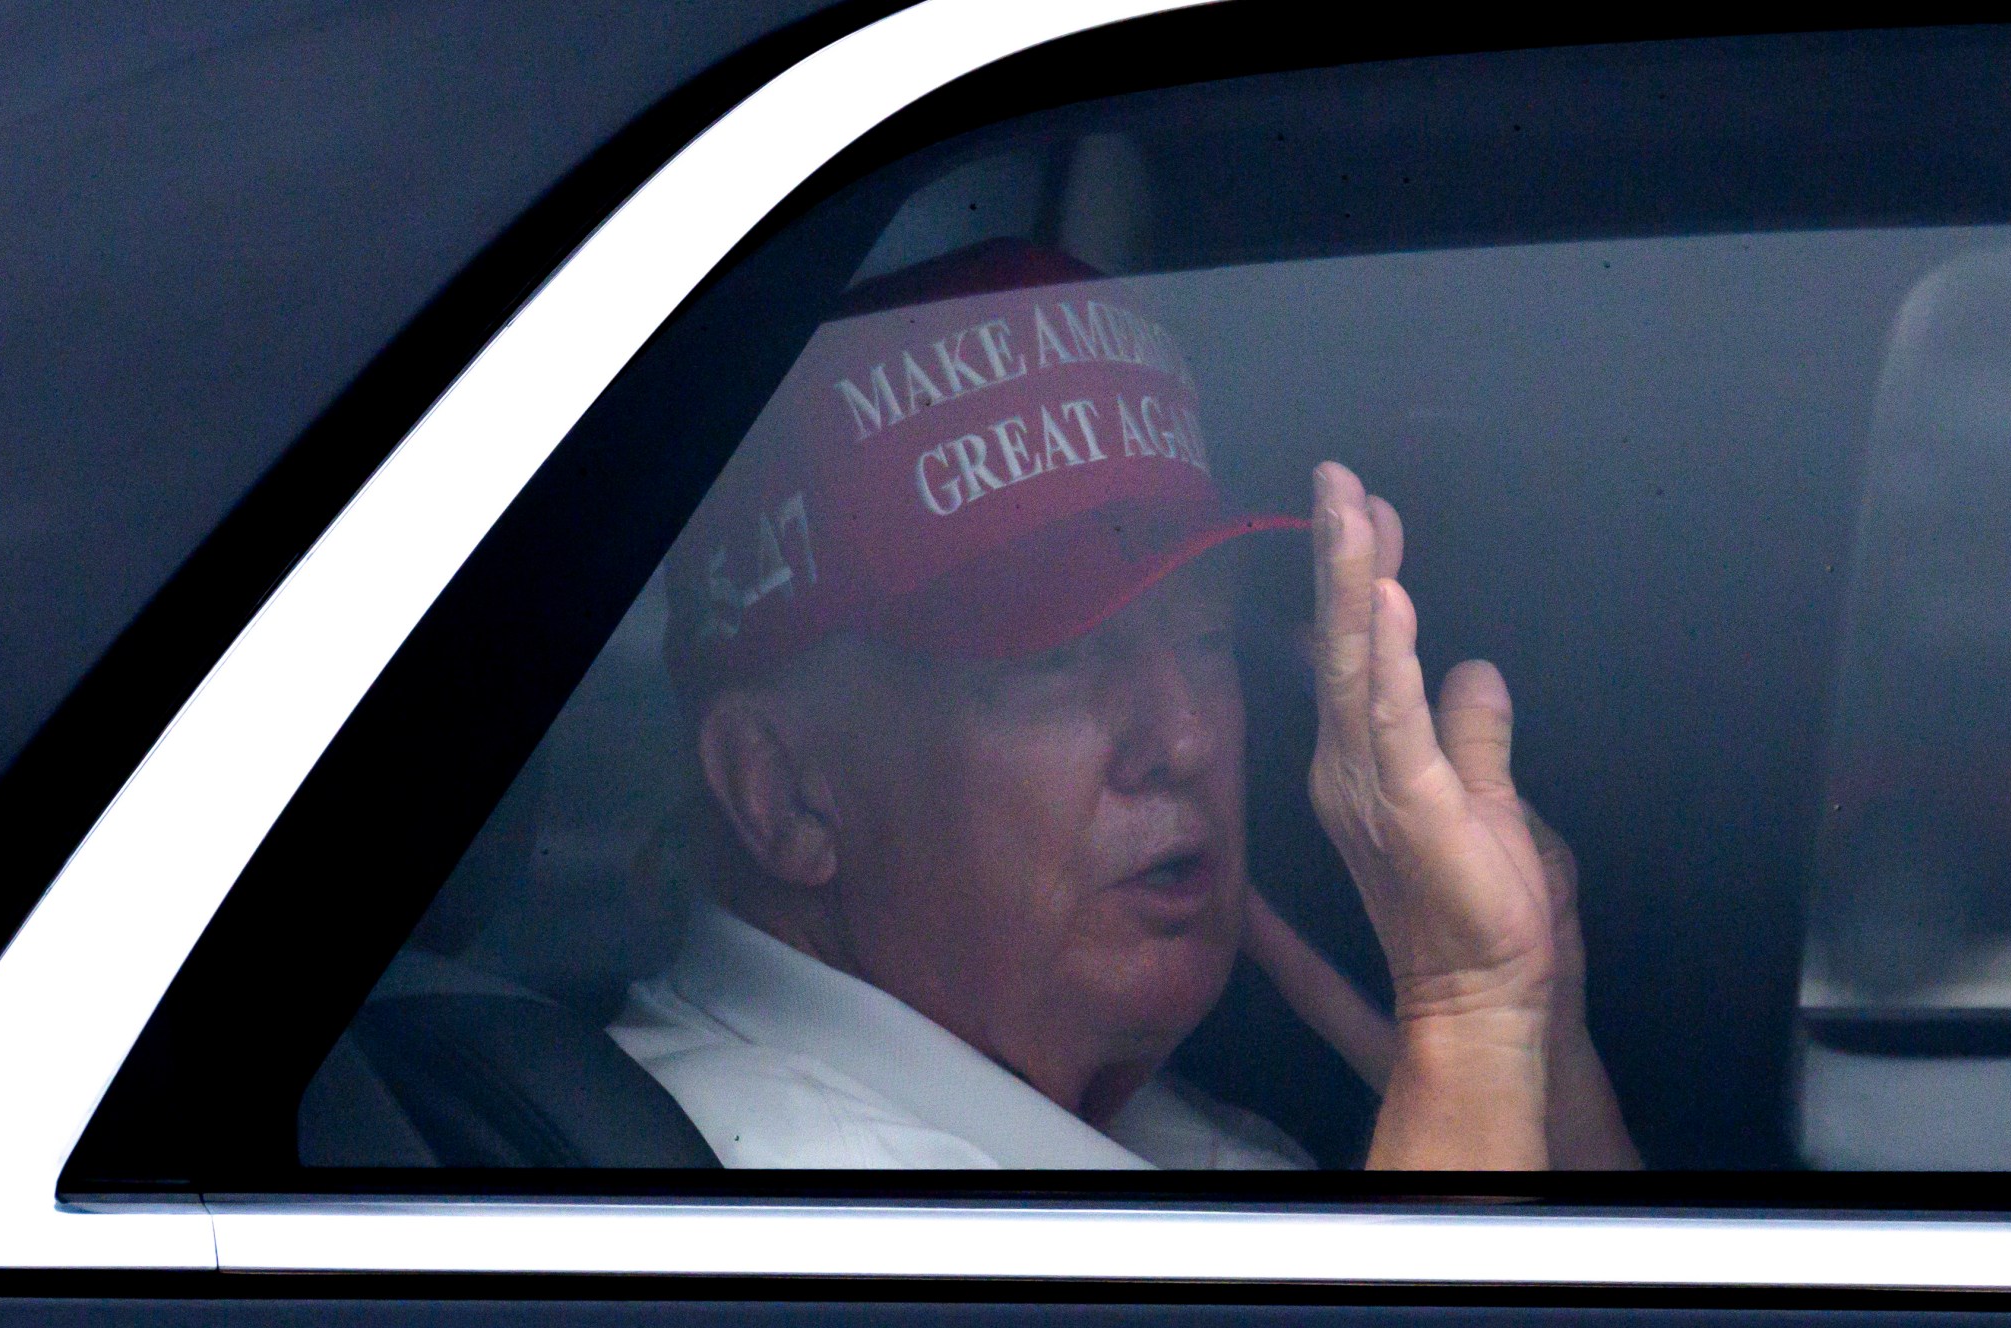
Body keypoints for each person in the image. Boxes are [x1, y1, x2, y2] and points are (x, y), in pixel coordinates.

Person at [610, 242, 1636, 1170]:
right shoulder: (791, 1208)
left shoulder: (1106, 1133)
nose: (1183, 737)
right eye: (1054, 659)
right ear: (782, 792)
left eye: (1203, 640)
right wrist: (1470, 1024)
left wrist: (1534, 1073)